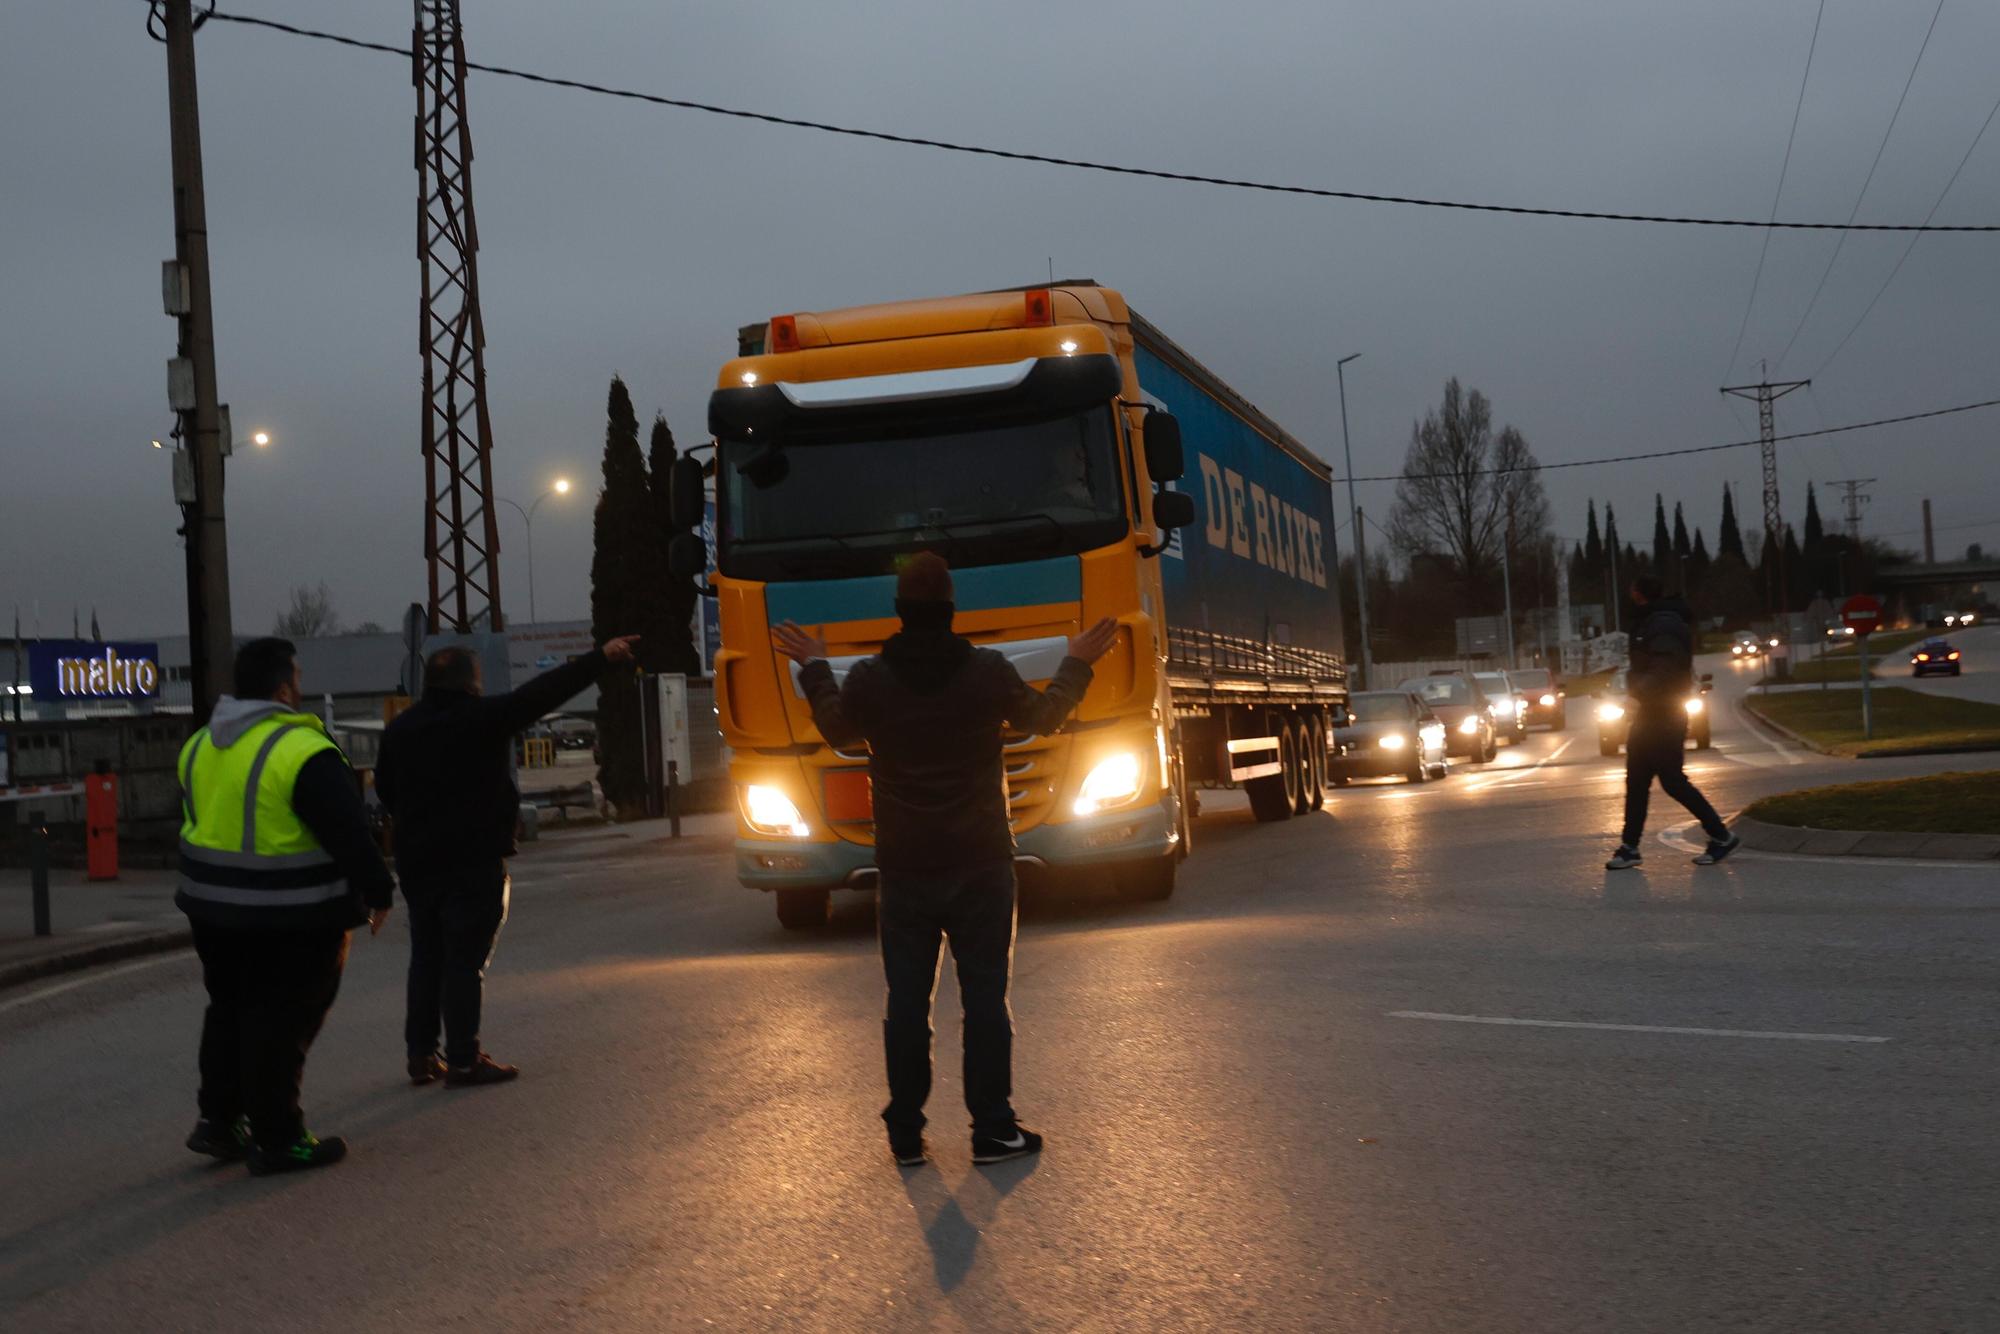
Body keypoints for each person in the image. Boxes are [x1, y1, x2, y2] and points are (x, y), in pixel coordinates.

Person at [772, 552, 1117, 1168]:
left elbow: (838, 731)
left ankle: (905, 1132)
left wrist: (813, 666)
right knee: (986, 999)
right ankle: (992, 1130)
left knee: (906, 1001)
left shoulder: (872, 679)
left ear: (900, 613)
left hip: (905, 866)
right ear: (952, 611)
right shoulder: (986, 672)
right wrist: (1076, 664)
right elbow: (1042, 718)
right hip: (981, 861)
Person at [375, 634, 638, 1088]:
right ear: (470, 683)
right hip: (474, 859)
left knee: (427, 957)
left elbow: (384, 789)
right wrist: (601, 658)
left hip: (418, 863)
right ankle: (462, 1058)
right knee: (464, 960)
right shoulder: (485, 717)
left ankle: (421, 1055)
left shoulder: (401, 729)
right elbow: (545, 691)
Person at [176, 638, 396, 1175]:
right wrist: (379, 890)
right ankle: (278, 1138)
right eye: (297, 679)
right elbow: (349, 832)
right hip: (292, 915)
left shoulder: (201, 744)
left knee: (229, 1011)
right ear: (282, 689)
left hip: (212, 910)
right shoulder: (304, 751)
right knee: (283, 1022)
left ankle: (220, 1122)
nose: (300, 688)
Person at [1606, 576, 1741, 870]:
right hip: (1649, 714)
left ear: (1638, 592)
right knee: (1637, 779)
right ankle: (1630, 847)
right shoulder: (1651, 622)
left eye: (1630, 589)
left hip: (1664, 714)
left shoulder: (1663, 624)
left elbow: (1665, 670)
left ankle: (1720, 835)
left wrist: (1636, 694)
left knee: (1672, 780)